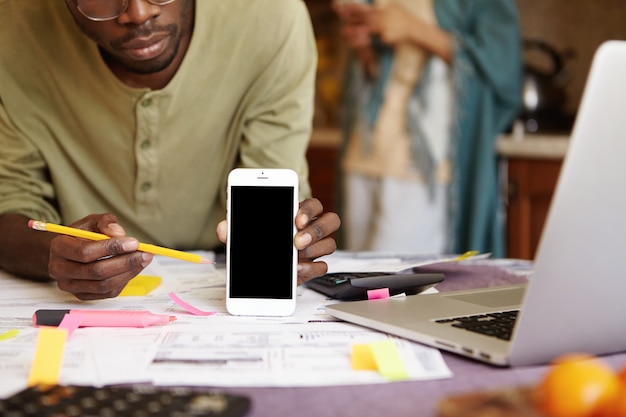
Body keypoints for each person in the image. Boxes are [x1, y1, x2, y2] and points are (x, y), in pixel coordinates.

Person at [0, 0, 340, 300]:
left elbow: (268, 182)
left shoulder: (271, 18)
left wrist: (289, 235)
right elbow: (10, 206)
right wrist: (52, 253)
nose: (139, 13)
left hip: (220, 271)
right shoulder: (13, 30)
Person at [333, 0, 522, 256]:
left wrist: (411, 28)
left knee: (393, 283)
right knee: (351, 279)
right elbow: (378, 74)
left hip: (423, 162)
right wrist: (365, 47)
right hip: (364, 149)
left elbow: (502, 69)